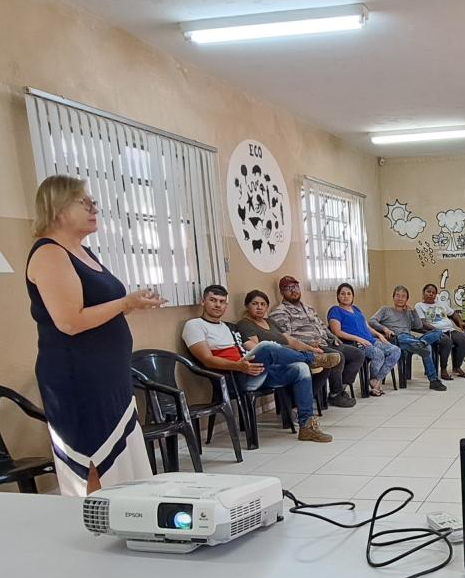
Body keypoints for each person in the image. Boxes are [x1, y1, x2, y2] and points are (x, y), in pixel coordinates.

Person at [24, 176, 163, 495]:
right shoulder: (50, 254)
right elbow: (70, 322)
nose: (93, 209)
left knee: (119, 452)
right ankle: (97, 524)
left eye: (93, 202)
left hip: (107, 373)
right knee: (93, 455)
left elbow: (99, 309)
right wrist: (124, 302)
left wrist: (131, 305)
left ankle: (127, 517)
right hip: (79, 376)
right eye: (83, 202)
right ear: (57, 209)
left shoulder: (83, 252)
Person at [184, 285, 331, 443]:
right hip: (235, 378)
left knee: (300, 369)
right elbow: (207, 360)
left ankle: (306, 427)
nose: (218, 305)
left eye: (222, 301)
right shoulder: (194, 325)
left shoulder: (227, 327)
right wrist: (239, 366)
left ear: (226, 305)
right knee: (267, 346)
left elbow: (247, 348)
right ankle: (310, 358)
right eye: (213, 300)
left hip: (255, 372)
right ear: (202, 302)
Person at [269, 275, 360, 408]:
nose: (293, 290)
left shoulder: (309, 308)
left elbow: (322, 326)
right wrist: (307, 345)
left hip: (324, 342)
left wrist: (333, 337)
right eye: (288, 288)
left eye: (295, 287)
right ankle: (335, 394)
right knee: (336, 357)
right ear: (282, 292)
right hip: (308, 347)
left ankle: (341, 388)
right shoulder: (280, 312)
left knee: (357, 354)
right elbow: (286, 338)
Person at [235, 289, 343, 379]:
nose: (259, 307)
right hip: (271, 362)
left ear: (267, 307)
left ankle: (307, 400)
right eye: (254, 304)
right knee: (302, 367)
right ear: (247, 306)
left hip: (289, 353)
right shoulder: (244, 324)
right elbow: (257, 349)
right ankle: (311, 359)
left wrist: (311, 349)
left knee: (324, 365)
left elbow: (292, 341)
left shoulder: (271, 322)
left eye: (263, 304)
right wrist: (281, 349)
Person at [328, 282, 400, 398]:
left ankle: (375, 380)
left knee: (395, 350)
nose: (346, 296)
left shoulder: (356, 309)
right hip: (355, 344)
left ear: (352, 296)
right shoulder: (335, 310)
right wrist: (358, 338)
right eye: (342, 294)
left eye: (348, 294)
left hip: (370, 340)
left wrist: (379, 335)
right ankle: (374, 383)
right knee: (378, 354)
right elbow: (337, 332)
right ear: (338, 296)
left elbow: (367, 327)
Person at [371, 285, 447, 391]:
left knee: (438, 331)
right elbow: (372, 321)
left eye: (403, 296)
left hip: (410, 339)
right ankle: (433, 380)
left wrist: (413, 312)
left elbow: (419, 326)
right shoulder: (385, 309)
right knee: (425, 347)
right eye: (397, 295)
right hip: (397, 339)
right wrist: (385, 329)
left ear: (407, 299)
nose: (400, 298)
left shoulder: (408, 312)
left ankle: (421, 342)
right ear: (393, 297)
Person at [416, 279, 465, 378]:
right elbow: (423, 322)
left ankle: (456, 367)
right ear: (423, 293)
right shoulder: (419, 306)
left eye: (433, 293)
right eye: (428, 292)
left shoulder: (441, 303)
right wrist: (436, 330)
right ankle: (444, 369)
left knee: (464, 340)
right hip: (433, 332)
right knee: (447, 342)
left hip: (449, 329)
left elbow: (453, 313)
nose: (431, 294)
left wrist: (460, 322)